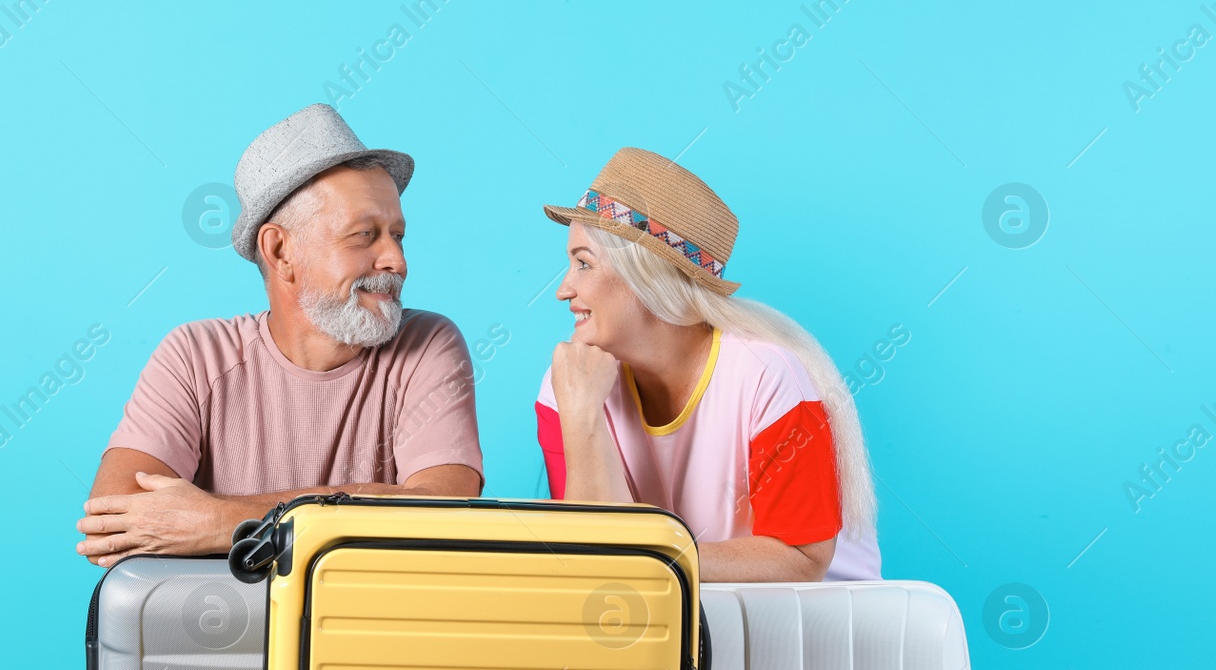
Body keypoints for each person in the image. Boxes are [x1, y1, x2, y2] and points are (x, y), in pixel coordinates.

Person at [76, 104, 483, 566]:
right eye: (364, 235)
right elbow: (114, 525)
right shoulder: (194, 356)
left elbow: (445, 513)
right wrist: (377, 502)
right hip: (219, 632)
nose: (397, 260)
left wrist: (224, 521)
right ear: (280, 250)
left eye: (397, 235)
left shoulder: (427, 344)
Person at [535, 147, 881, 582]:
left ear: (647, 275)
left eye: (583, 263)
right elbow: (593, 556)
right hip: (689, 618)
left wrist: (653, 560)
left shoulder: (768, 377)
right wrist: (582, 415)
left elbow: (802, 560)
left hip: (820, 623)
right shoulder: (568, 387)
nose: (563, 290)